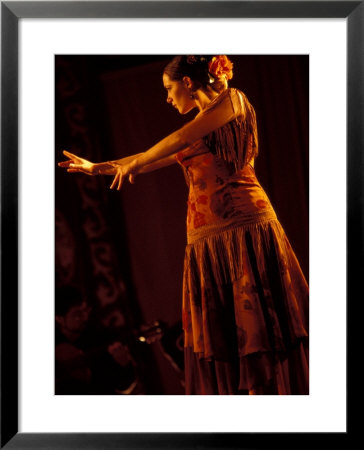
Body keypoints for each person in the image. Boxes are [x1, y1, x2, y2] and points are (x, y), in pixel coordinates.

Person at [59, 55, 309, 395]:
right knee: (231, 339)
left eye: (168, 88)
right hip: (207, 240)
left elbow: (175, 139)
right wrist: (98, 167)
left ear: (188, 82)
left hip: (242, 228)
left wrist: (137, 161)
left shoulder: (232, 101)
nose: (167, 97)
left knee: (260, 329)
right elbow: (148, 159)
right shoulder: (199, 126)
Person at [55, 286, 138, 394]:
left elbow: (124, 386)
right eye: (77, 314)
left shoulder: (102, 338)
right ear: (59, 319)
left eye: (85, 311)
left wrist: (125, 365)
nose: (85, 317)